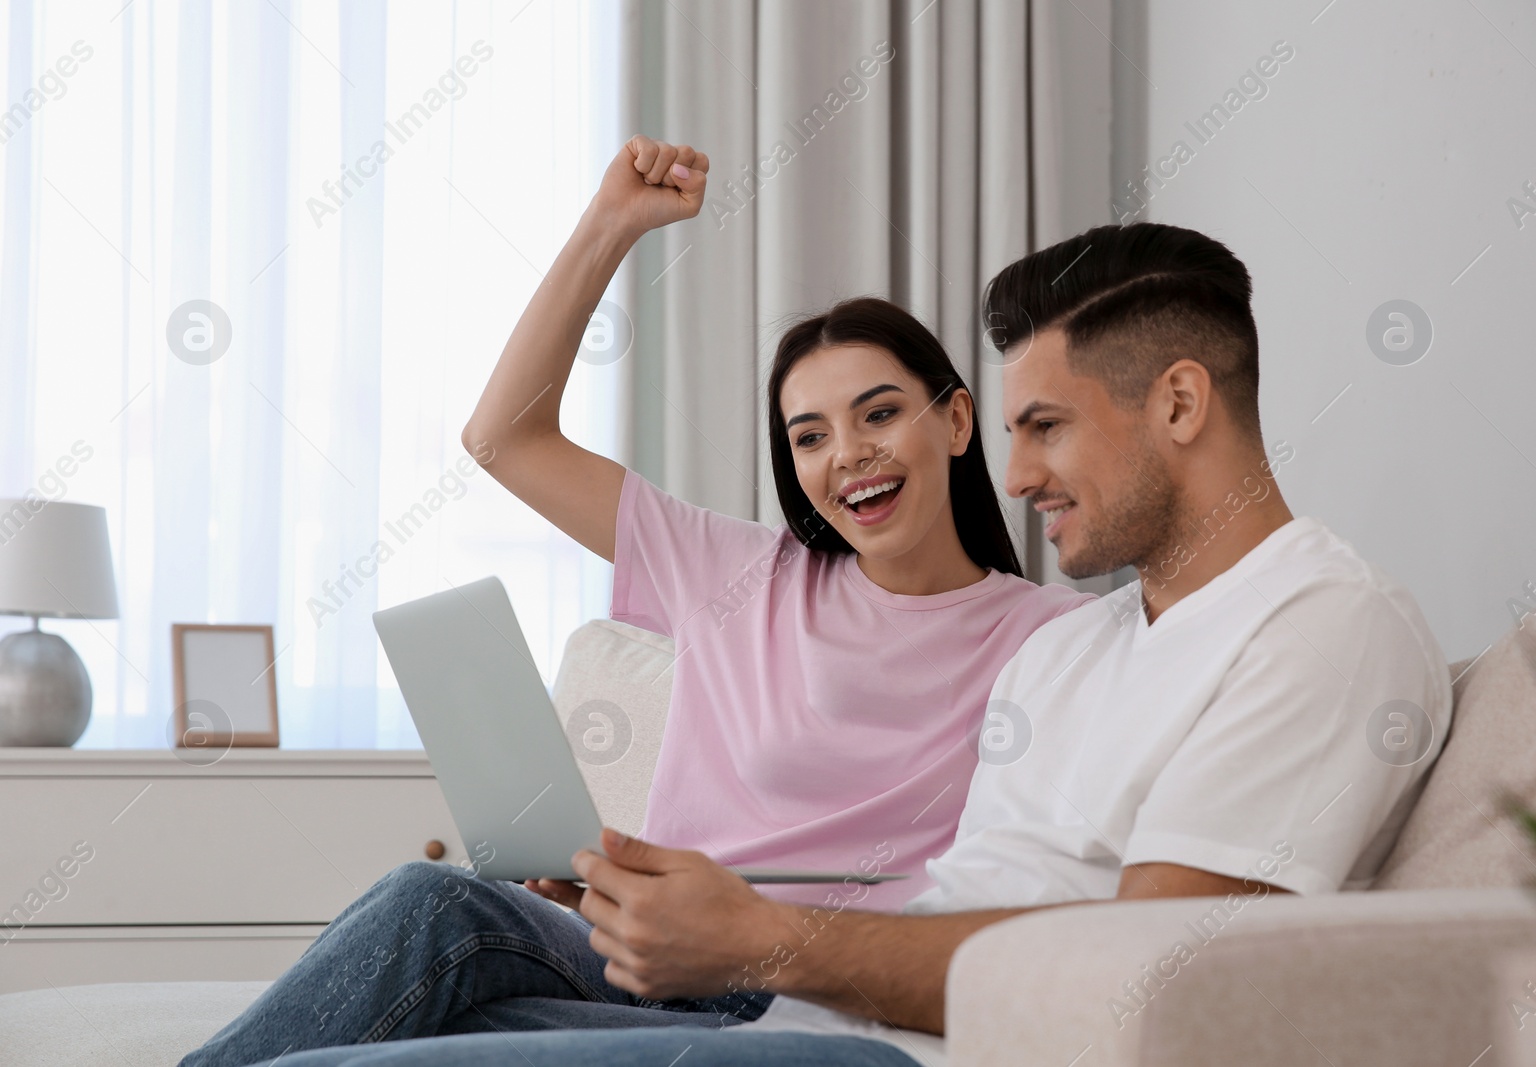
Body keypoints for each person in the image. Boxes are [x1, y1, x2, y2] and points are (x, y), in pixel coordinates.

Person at [232, 220, 1452, 1067]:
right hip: (812, 1020)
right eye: (809, 433)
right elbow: (958, 893)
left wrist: (758, 933)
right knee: (396, 967)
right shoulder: (1080, 654)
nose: (1020, 473)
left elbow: (1156, 968)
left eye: (1043, 427)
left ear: (1179, 404)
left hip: (870, 1038)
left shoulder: (1319, 626)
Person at [179, 139, 1093, 1067]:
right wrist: (611, 225)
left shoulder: (1054, 636)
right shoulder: (736, 570)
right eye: (809, 435)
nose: (848, 453)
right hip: (638, 958)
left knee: (439, 1019)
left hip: (805, 989)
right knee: (432, 902)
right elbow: (505, 438)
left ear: (958, 418)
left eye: (880, 412)